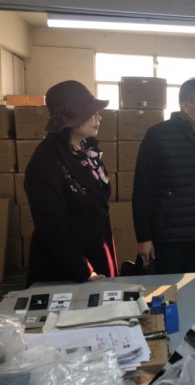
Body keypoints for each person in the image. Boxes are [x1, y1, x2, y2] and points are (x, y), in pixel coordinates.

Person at [25, 80, 117, 286]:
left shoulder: (85, 148)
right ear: (72, 119)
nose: (99, 117)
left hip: (98, 249)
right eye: (92, 113)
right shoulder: (46, 161)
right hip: (69, 265)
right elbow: (51, 226)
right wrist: (84, 270)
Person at [132, 77, 195, 274]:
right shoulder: (158, 136)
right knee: (168, 291)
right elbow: (142, 190)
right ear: (186, 106)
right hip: (170, 239)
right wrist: (144, 238)